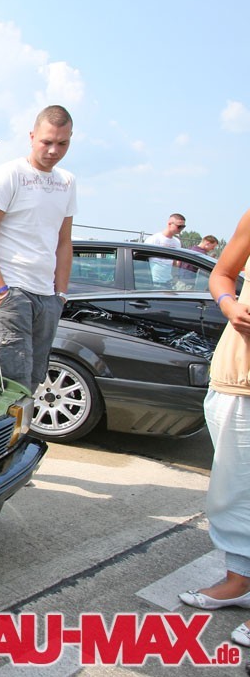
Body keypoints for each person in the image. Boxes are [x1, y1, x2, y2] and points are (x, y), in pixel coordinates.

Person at [177, 209, 250, 650]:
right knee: (232, 492)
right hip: (238, 377)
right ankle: (239, 581)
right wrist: (229, 305)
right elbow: (222, 274)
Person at [0, 105, 77, 392]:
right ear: (32, 137)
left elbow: (64, 241)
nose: (53, 150)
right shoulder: (10, 174)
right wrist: (0, 291)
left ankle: (21, 426)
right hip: (11, 292)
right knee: (11, 384)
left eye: (62, 143)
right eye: (46, 141)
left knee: (33, 380)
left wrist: (60, 294)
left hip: (47, 296)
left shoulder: (67, 182)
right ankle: (5, 425)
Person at [144, 213, 186, 285]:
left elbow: (175, 263)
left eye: (183, 227)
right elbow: (142, 260)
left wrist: (175, 277)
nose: (181, 229)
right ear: (169, 224)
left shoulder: (177, 242)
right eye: (179, 226)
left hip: (168, 282)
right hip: (153, 281)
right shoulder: (154, 239)